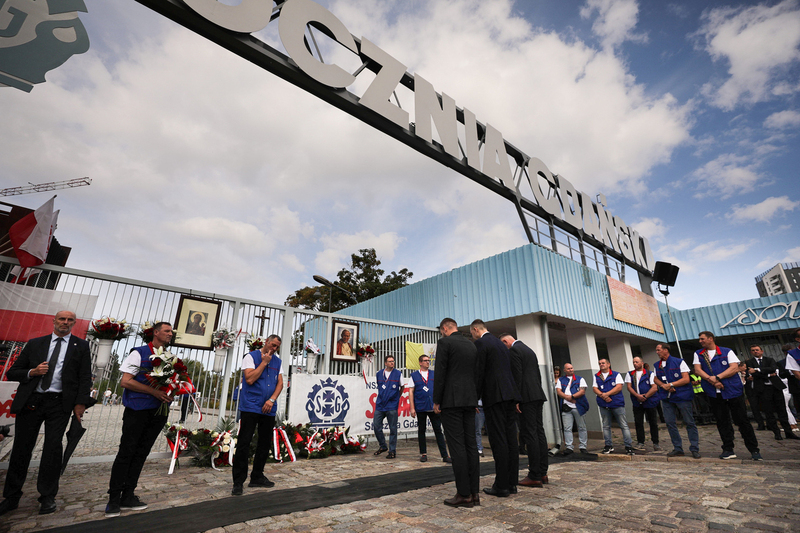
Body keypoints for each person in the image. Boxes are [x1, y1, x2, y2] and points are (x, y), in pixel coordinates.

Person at [0, 310, 92, 517]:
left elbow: (85, 376)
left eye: (70, 320)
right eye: (62, 319)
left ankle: (47, 496)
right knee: (22, 448)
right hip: (32, 401)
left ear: (74, 324)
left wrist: (81, 404)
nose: (65, 323)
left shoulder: (81, 346)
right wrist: (32, 372)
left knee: (53, 448)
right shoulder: (35, 343)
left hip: (59, 404)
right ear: (54, 321)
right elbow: (13, 371)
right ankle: (12, 496)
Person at [105, 321, 176, 517]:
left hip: (158, 411)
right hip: (137, 409)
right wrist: (154, 392)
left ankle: (128, 494)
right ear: (155, 333)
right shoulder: (139, 353)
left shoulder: (169, 358)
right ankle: (113, 498)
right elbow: (126, 381)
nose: (170, 334)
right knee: (126, 452)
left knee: (141, 452)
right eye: (167, 331)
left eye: (172, 332)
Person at [433, 318, 480, 508]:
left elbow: (440, 373)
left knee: (457, 446)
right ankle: (474, 492)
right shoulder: (471, 345)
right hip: (469, 400)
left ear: (445, 328)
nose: (442, 333)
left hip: (451, 401)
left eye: (442, 330)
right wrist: (475, 398)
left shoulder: (445, 342)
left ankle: (463, 494)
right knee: (471, 445)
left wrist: (437, 400)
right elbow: (477, 374)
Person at [693, 331, 761, 460]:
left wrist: (718, 377)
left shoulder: (726, 351)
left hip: (732, 391)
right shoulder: (699, 354)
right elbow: (698, 369)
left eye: (702, 339)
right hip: (714, 392)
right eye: (699, 339)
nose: (700, 341)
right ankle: (728, 449)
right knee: (722, 421)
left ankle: (754, 450)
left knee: (742, 420)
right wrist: (711, 380)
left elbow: (734, 368)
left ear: (710, 339)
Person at [471, 320, 520, 497]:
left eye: (472, 333)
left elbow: (479, 372)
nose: (473, 336)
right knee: (511, 440)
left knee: (498, 440)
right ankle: (512, 482)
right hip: (509, 395)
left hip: (495, 396)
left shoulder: (481, 343)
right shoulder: (501, 344)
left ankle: (501, 486)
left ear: (476, 330)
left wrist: (474, 399)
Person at [232, 334, 284, 495]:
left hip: (268, 407)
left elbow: (280, 383)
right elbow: (249, 379)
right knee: (244, 442)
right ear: (266, 342)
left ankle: (257, 476)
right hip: (251, 406)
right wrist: (264, 363)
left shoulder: (278, 361)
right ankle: (238, 481)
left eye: (277, 347)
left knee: (264, 443)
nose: (274, 349)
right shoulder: (251, 357)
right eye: (273, 345)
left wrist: (272, 399)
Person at [501, 333, 548, 488]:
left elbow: (517, 376)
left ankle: (534, 474)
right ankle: (542, 471)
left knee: (530, 433)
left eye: (504, 345)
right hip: (537, 394)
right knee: (539, 432)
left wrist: (517, 399)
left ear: (506, 341)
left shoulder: (514, 351)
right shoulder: (529, 350)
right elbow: (537, 375)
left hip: (526, 398)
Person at [653, 343, 700, 458]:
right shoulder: (656, 365)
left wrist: (672, 384)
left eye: (658, 350)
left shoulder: (679, 362)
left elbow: (685, 379)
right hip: (666, 397)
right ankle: (678, 448)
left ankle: (694, 448)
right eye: (656, 350)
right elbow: (655, 378)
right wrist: (664, 385)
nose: (657, 352)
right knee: (670, 423)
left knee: (689, 421)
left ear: (665, 350)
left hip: (682, 396)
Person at [745, 344, 799, 441]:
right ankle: (776, 433)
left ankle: (788, 432)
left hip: (775, 387)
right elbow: (753, 374)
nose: (755, 351)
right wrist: (768, 375)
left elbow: (773, 369)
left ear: (762, 351)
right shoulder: (750, 362)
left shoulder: (769, 360)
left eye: (757, 350)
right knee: (769, 412)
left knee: (782, 410)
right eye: (753, 350)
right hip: (762, 389)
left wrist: (758, 370)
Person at [408, 354, 450, 463]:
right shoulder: (414, 376)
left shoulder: (434, 374)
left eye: (428, 360)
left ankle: (444, 455)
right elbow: (411, 392)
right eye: (425, 360)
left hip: (433, 406)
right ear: (420, 363)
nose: (428, 362)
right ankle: (423, 453)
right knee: (421, 430)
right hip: (421, 406)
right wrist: (412, 408)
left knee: (438, 430)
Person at [593, 357, 634, 455]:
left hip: (616, 403)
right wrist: (603, 396)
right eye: (600, 363)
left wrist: (606, 394)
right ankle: (608, 446)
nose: (601, 364)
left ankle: (628, 446)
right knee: (606, 426)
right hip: (603, 404)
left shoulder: (616, 374)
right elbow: (595, 388)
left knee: (623, 425)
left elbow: (619, 387)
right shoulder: (597, 376)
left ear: (608, 364)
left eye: (603, 363)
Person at [625, 356, 660, 451]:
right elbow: (629, 387)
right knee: (638, 422)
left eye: (637, 362)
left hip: (650, 401)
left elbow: (654, 387)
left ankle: (655, 442)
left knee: (653, 422)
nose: (635, 364)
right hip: (637, 402)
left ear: (642, 363)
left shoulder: (650, 374)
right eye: (633, 362)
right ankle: (640, 442)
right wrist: (637, 396)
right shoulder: (630, 374)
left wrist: (645, 396)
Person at [373, 355, 404, 459]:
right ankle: (383, 446)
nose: (392, 363)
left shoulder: (398, 374)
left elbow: (402, 387)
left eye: (393, 361)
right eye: (390, 361)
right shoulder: (379, 374)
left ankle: (392, 451)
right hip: (380, 404)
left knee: (393, 429)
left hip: (392, 405)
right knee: (376, 426)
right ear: (385, 363)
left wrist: (396, 398)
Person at [555, 363, 589, 454]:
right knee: (567, 428)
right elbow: (558, 391)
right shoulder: (561, 380)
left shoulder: (580, 379)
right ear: (565, 370)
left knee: (582, 427)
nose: (571, 370)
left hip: (578, 406)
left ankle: (583, 446)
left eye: (571, 368)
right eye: (568, 369)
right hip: (566, 407)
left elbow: (582, 391)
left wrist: (572, 397)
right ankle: (569, 447)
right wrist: (567, 398)